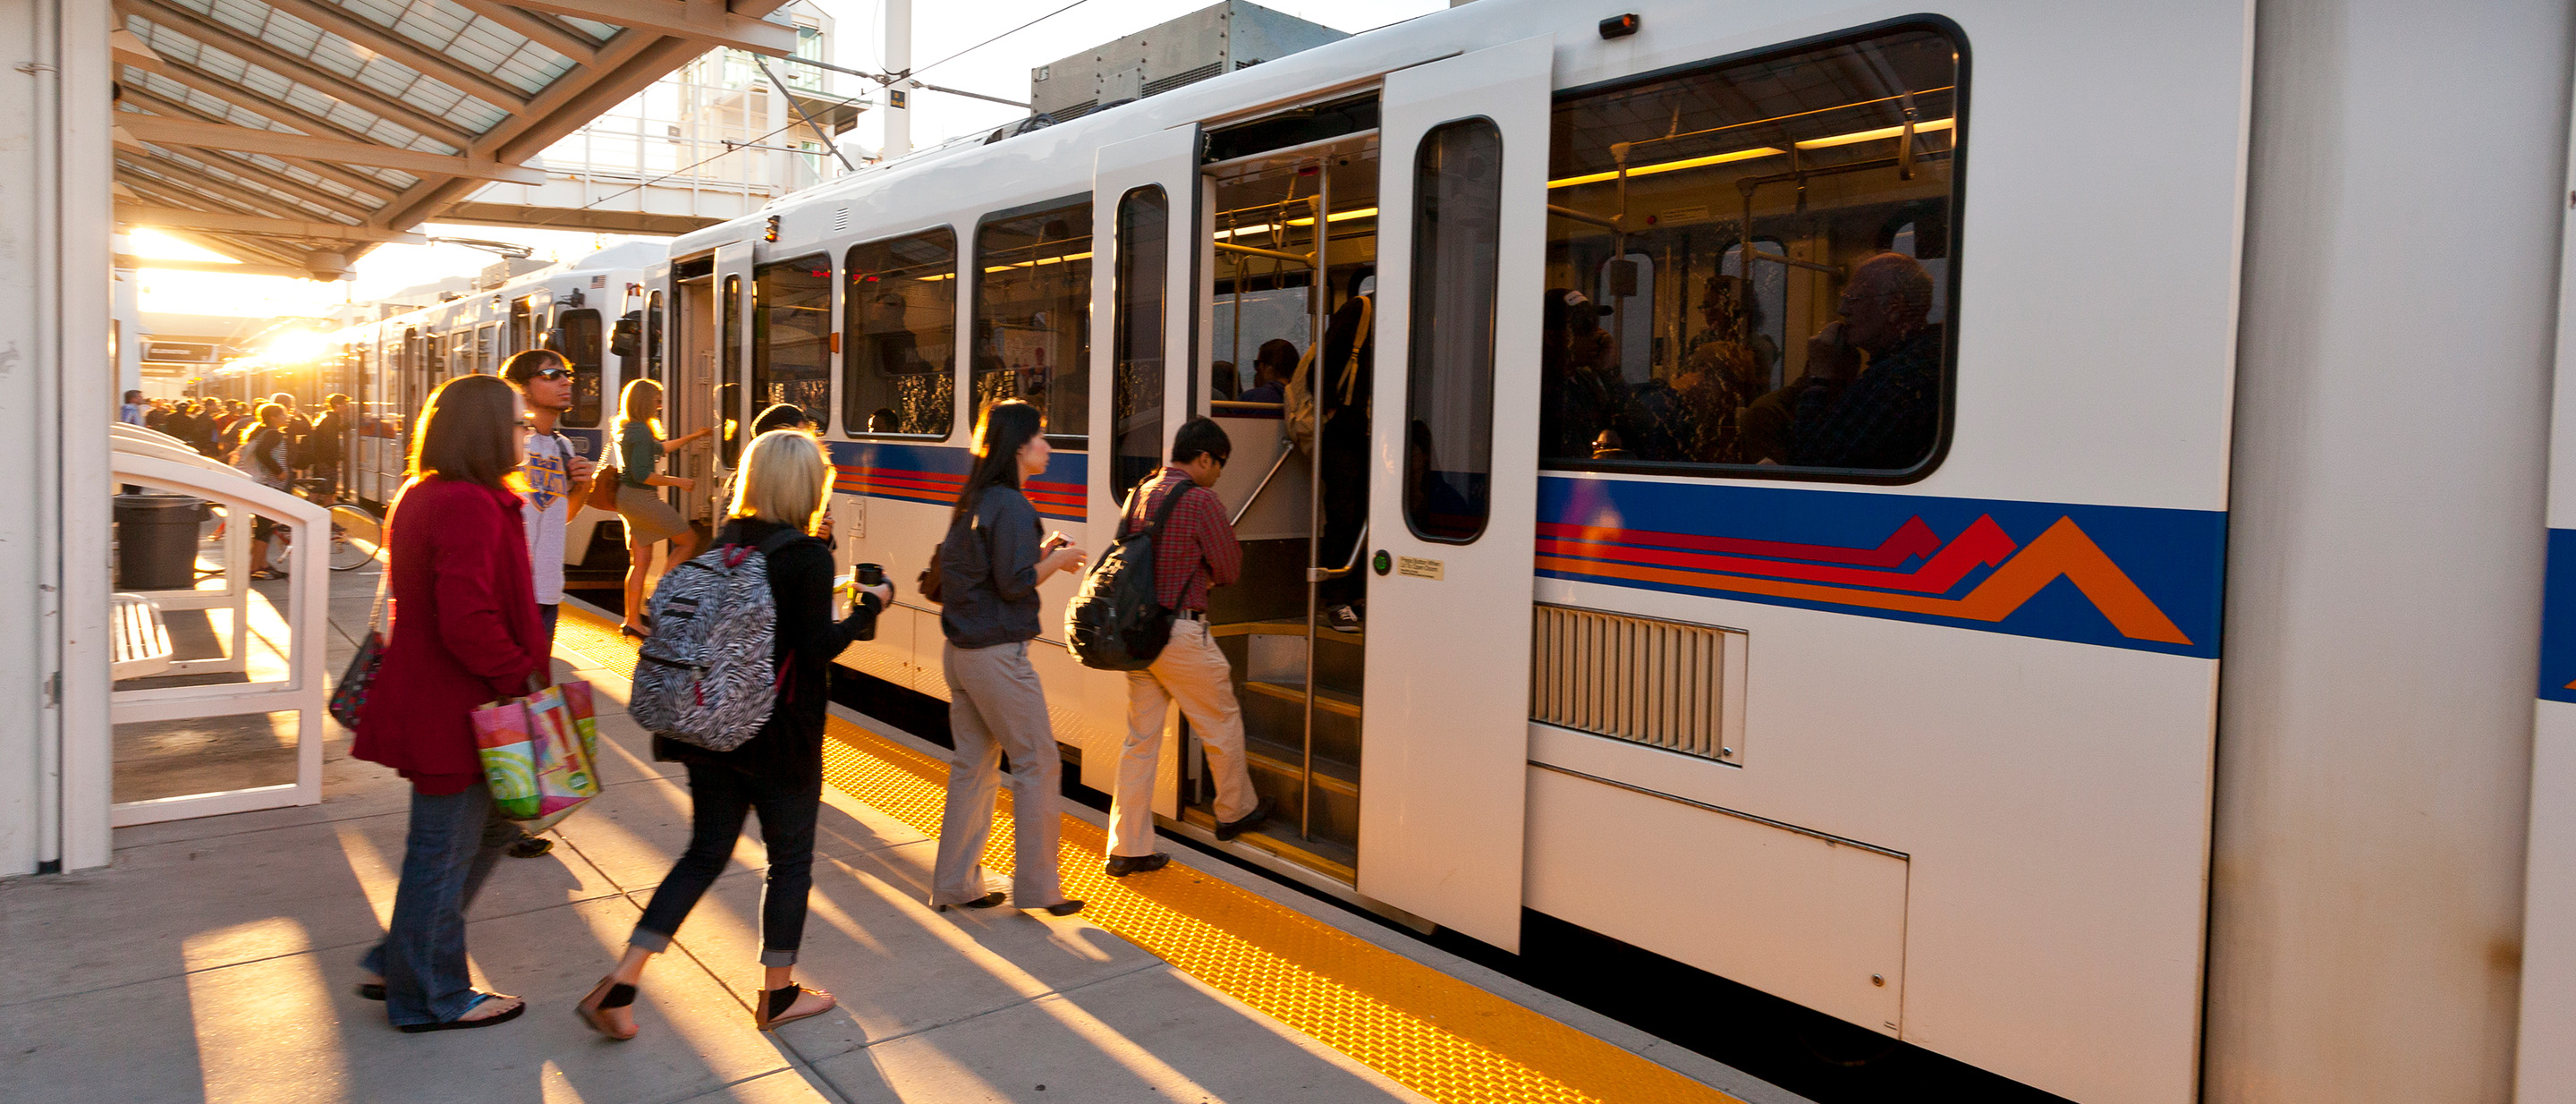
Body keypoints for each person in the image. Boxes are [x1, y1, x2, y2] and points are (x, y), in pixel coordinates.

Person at [576, 428, 890, 1040]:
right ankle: (778, 995)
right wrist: (869, 606)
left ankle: (623, 980)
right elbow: (816, 646)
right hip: (779, 736)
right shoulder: (805, 555)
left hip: (709, 726)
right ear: (807, 487)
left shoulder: (727, 543)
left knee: (703, 854)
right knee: (790, 861)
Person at [348, 373, 548, 1032]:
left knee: (489, 828)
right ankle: (430, 995)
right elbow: (466, 618)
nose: (529, 433)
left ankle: (397, 958)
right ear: (489, 429)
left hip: (453, 704)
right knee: (442, 849)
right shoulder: (465, 503)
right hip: (459, 710)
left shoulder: (430, 492)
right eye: (520, 424)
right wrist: (519, 675)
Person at [928, 399, 1089, 915]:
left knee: (972, 767)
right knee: (1038, 762)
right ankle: (1040, 888)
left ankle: (955, 884)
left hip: (961, 653)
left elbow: (994, 572)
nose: (1048, 446)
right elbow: (1014, 583)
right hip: (997, 656)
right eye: (1041, 437)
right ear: (1020, 447)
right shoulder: (1015, 505)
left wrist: (1042, 557)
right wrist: (1058, 560)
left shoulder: (976, 497)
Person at [1105, 418, 1273, 878]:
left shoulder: (1141, 491)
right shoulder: (1200, 500)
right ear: (1203, 458)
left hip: (1140, 636)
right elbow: (1230, 566)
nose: (1219, 473)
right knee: (1220, 721)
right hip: (1180, 634)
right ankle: (1234, 811)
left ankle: (1127, 848)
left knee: (1139, 742)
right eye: (1219, 464)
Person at [498, 353, 597, 861]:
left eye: (568, 374)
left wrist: (582, 484)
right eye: (551, 374)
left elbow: (564, 513)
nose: (565, 382)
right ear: (520, 385)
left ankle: (512, 813)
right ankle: (506, 822)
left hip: (546, 590)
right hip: (511, 592)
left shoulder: (560, 445)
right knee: (506, 703)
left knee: (527, 701)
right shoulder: (504, 442)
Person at [1782, 251, 1944, 470]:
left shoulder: (1895, 379)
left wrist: (1819, 374)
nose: (1842, 310)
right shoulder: (1929, 356)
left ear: (1893, 308)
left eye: (1853, 299)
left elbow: (1809, 464)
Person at [612, 378, 713, 638]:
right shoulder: (641, 431)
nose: (660, 404)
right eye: (657, 399)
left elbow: (663, 447)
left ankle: (632, 620)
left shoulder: (631, 428)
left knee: (641, 560)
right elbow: (642, 474)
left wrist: (695, 436)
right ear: (645, 401)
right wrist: (678, 482)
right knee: (688, 540)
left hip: (628, 499)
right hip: (641, 498)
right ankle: (659, 595)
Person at [1316, 271, 1374, 633]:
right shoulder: (1359, 310)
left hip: (1373, 436)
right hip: (1346, 434)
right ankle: (1335, 597)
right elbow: (1322, 368)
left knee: (1368, 512)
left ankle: (1359, 592)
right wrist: (1333, 409)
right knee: (1344, 514)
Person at [235, 403, 295, 582]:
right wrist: (280, 471)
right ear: (273, 418)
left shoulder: (261, 432)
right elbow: (263, 453)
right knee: (265, 526)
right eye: (283, 415)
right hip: (268, 484)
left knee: (266, 527)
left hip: (262, 484)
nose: (287, 417)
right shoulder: (273, 434)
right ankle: (255, 567)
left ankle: (261, 564)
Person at [305, 394, 352, 505]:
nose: (347, 407)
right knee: (329, 490)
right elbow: (330, 441)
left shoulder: (327, 418)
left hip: (320, 460)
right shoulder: (332, 420)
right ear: (337, 405)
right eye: (345, 404)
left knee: (317, 488)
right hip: (327, 461)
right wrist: (334, 459)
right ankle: (328, 514)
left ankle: (310, 512)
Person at [1237, 338, 1294, 408]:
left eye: (1257, 364)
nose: (1256, 370)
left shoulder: (1249, 400)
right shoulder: (1302, 400)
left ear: (1268, 368)